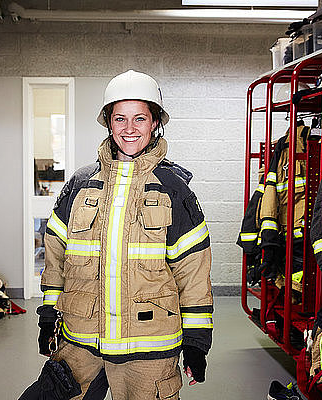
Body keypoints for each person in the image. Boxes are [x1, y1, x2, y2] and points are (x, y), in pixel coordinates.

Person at [30, 70, 213, 400]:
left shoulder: (174, 191)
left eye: (139, 118)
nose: (129, 129)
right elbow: (55, 259)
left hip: (149, 353)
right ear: (108, 123)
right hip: (81, 342)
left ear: (154, 123)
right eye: (120, 119)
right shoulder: (79, 185)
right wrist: (47, 316)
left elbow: (193, 273)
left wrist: (197, 341)